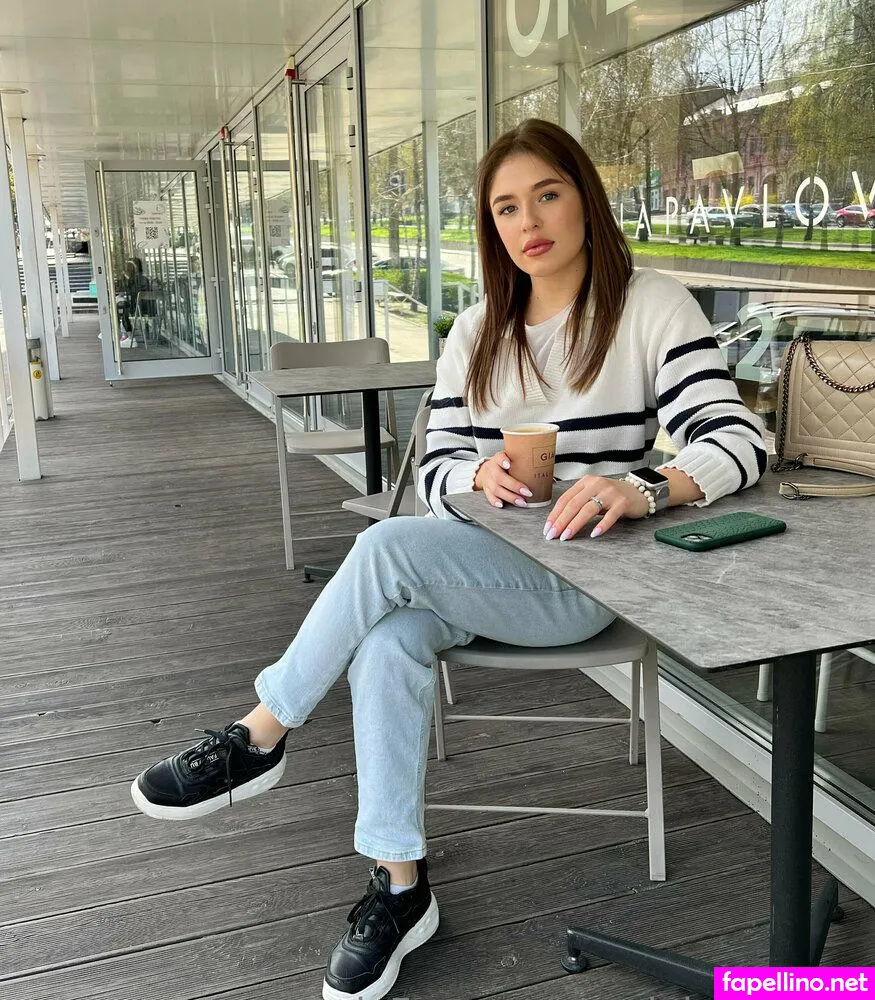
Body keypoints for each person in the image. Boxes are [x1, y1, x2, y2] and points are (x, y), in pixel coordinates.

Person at [130, 119, 766, 1000]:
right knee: (387, 639)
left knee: (383, 547)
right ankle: (400, 887)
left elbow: (737, 439)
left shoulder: (648, 306)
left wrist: (643, 487)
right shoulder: (477, 330)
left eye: (546, 194)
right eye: (505, 207)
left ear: (584, 198)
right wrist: (475, 473)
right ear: (489, 225)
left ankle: (261, 734)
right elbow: (433, 473)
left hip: (584, 577)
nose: (527, 221)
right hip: (478, 562)